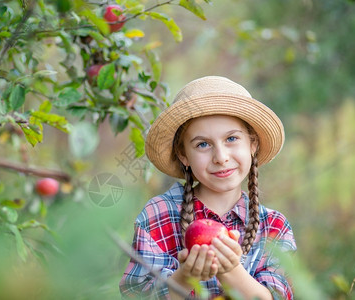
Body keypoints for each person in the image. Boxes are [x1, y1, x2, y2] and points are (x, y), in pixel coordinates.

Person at [119, 76, 297, 299]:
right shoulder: (158, 215)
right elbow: (136, 295)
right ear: (183, 155)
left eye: (231, 138)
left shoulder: (274, 226)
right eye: (203, 144)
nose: (221, 157)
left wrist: (231, 270)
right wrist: (184, 278)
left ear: (252, 144)